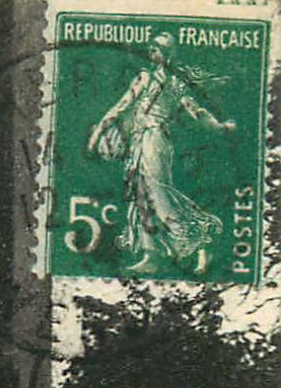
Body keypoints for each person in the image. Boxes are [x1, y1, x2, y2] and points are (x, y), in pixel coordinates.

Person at [86, 31, 237, 276]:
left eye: (156, 49)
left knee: (157, 194)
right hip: (141, 141)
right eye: (151, 48)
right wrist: (96, 135)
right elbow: (121, 107)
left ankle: (200, 241)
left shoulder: (174, 83)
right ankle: (152, 255)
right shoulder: (146, 78)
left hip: (155, 139)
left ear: (166, 55)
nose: (151, 52)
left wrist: (220, 127)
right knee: (142, 195)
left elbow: (196, 111)